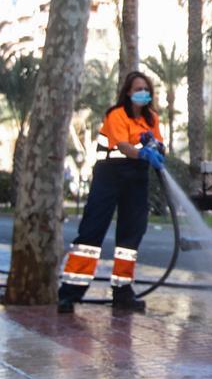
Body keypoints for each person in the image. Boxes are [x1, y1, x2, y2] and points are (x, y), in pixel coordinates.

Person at [57, 71, 166, 314]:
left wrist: (157, 148)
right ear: (128, 92)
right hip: (110, 175)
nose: (142, 93)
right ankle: (69, 293)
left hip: (137, 178)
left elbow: (158, 142)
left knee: (130, 238)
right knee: (91, 233)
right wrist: (143, 152)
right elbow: (123, 146)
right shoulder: (116, 115)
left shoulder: (152, 119)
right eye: (138, 89)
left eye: (146, 89)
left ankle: (123, 292)